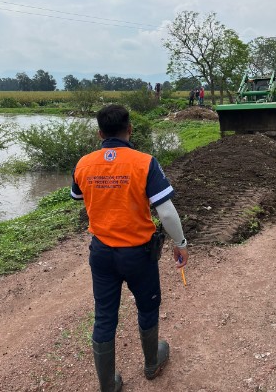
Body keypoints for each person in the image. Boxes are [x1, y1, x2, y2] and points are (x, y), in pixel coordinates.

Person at [71, 104, 188, 392]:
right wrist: (180, 243)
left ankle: (108, 385)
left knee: (105, 315)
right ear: (130, 129)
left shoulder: (83, 163)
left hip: (101, 254)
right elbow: (167, 212)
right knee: (147, 306)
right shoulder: (144, 162)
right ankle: (151, 364)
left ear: (100, 132)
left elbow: (77, 195)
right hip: (138, 254)